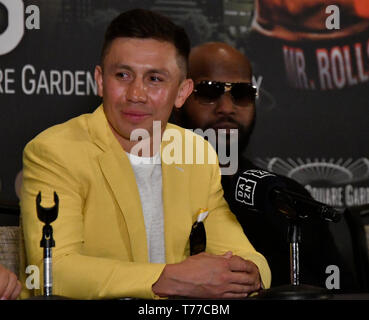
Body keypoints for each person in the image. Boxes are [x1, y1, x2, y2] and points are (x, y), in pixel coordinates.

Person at [20, 9, 271, 300]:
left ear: (181, 92)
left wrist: (250, 273)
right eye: (123, 75)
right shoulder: (54, 151)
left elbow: (248, 258)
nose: (136, 94)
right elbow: (50, 272)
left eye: (154, 79)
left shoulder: (195, 152)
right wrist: (167, 279)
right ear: (101, 81)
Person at [175, 41, 356, 290]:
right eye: (209, 92)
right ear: (179, 96)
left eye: (242, 94)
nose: (227, 108)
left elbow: (339, 290)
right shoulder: (151, 189)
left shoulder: (283, 196)